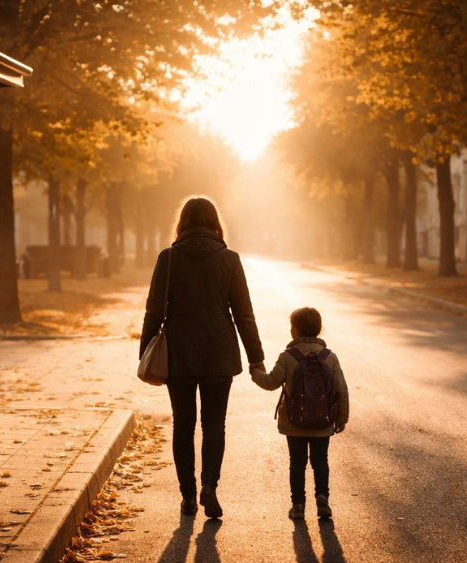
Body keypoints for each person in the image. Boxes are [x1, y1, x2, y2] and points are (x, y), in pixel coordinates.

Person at [140, 196, 265, 519]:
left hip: (178, 352)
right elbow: (243, 313)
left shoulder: (168, 258)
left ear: (182, 222)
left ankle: (187, 496)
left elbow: (153, 311)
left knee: (183, 424)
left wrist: (145, 356)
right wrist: (256, 358)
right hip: (219, 352)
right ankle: (209, 484)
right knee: (214, 424)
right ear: (214, 222)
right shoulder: (229, 259)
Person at [251, 307, 349, 520]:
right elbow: (341, 388)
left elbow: (270, 383)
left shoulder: (288, 357)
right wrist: (342, 418)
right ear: (319, 330)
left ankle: (298, 505)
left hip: (294, 421)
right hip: (323, 421)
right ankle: (322, 498)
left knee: (297, 462)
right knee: (320, 459)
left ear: (294, 331)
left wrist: (255, 371)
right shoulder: (329, 357)